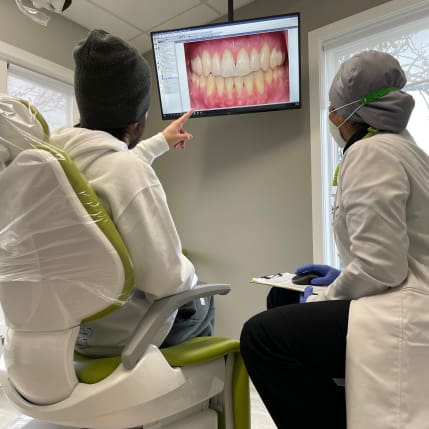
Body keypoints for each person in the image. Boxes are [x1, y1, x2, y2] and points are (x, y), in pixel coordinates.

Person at [240, 50, 429, 429]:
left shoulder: (369, 152)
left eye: (332, 104)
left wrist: (332, 292)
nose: (329, 113)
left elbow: (382, 266)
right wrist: (337, 273)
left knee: (260, 336)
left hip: (407, 309)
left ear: (347, 110)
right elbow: (396, 246)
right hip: (406, 287)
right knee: (283, 296)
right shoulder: (407, 150)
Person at [50, 29, 214, 357]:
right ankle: (192, 399)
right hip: (122, 337)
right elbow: (169, 282)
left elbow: (109, 173)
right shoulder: (128, 174)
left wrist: (159, 142)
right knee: (203, 300)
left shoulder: (51, 162)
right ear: (138, 119)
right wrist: (187, 266)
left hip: (61, 333)